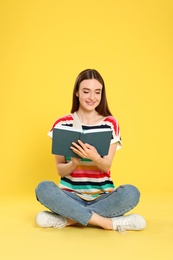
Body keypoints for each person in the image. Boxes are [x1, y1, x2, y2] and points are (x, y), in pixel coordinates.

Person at [35, 69, 146, 233]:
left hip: (103, 197)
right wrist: (73, 163)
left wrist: (94, 157)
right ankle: (109, 223)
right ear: (77, 93)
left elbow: (106, 166)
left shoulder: (110, 123)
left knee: (131, 193)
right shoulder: (61, 124)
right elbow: (60, 170)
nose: (92, 97)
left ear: (102, 94)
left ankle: (69, 220)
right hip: (70, 197)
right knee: (43, 188)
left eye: (97, 92)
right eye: (86, 91)